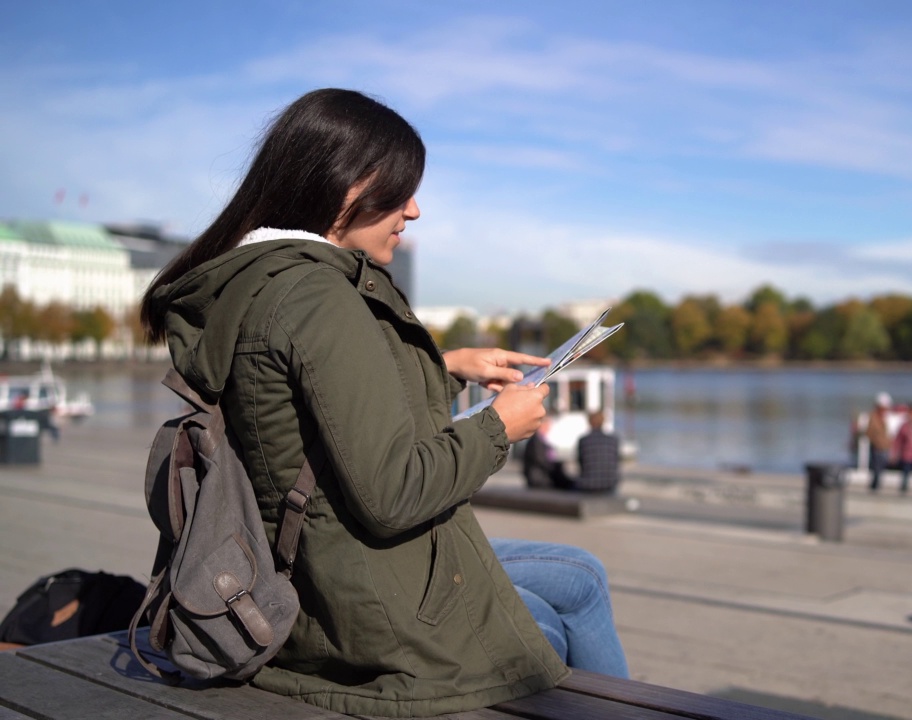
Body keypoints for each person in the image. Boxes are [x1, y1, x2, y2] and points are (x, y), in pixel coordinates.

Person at [139, 89, 626, 717]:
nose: (414, 210)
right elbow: (394, 494)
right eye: (400, 192)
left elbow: (303, 411)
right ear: (346, 188)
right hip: (350, 597)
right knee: (543, 626)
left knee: (579, 576)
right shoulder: (319, 297)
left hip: (300, 563)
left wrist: (444, 368)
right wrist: (500, 428)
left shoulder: (254, 278)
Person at [574, 411, 621, 493]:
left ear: (589, 422)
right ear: (603, 422)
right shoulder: (613, 440)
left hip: (587, 484)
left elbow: (581, 463)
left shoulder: (583, 440)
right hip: (610, 484)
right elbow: (616, 461)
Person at [522, 414, 572, 489]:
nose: (549, 427)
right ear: (542, 425)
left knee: (567, 481)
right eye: (548, 424)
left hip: (544, 473)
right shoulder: (536, 441)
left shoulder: (541, 440)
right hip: (538, 476)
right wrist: (555, 467)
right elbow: (541, 460)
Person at [863, 393, 893, 493]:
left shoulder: (885, 418)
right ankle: (874, 487)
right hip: (877, 447)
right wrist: (876, 442)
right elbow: (869, 432)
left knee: (881, 467)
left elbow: (887, 434)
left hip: (884, 447)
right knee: (876, 468)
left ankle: (876, 486)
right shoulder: (873, 417)